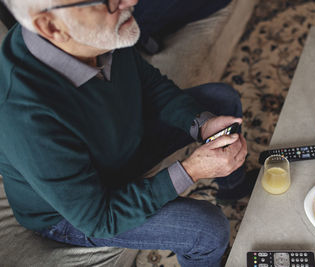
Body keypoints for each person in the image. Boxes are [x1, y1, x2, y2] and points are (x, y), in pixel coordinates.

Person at [0, 1, 252, 266]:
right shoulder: (21, 113)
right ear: (50, 26)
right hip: (77, 212)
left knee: (220, 102)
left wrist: (201, 124)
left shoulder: (96, 33)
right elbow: (98, 218)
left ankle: (233, 187)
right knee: (207, 229)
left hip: (121, 148)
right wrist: (190, 171)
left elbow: (151, 85)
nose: (131, 1)